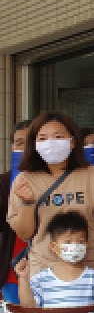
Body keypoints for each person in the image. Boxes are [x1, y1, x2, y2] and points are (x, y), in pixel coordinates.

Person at [7, 112, 94, 302]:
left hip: (88, 275)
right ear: (34, 144)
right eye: (42, 138)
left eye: (58, 136)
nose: (50, 143)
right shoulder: (24, 180)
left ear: (73, 141)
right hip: (43, 275)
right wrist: (28, 203)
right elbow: (25, 233)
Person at [14, 211, 94, 308]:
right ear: (53, 246)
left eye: (80, 242)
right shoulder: (40, 279)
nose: (74, 246)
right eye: (68, 242)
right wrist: (23, 278)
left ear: (87, 244)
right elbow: (30, 307)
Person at [0, 120, 31, 303]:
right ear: (12, 147)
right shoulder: (4, 182)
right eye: (19, 143)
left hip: (51, 271)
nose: (25, 148)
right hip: (13, 271)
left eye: (30, 142)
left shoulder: (57, 179)